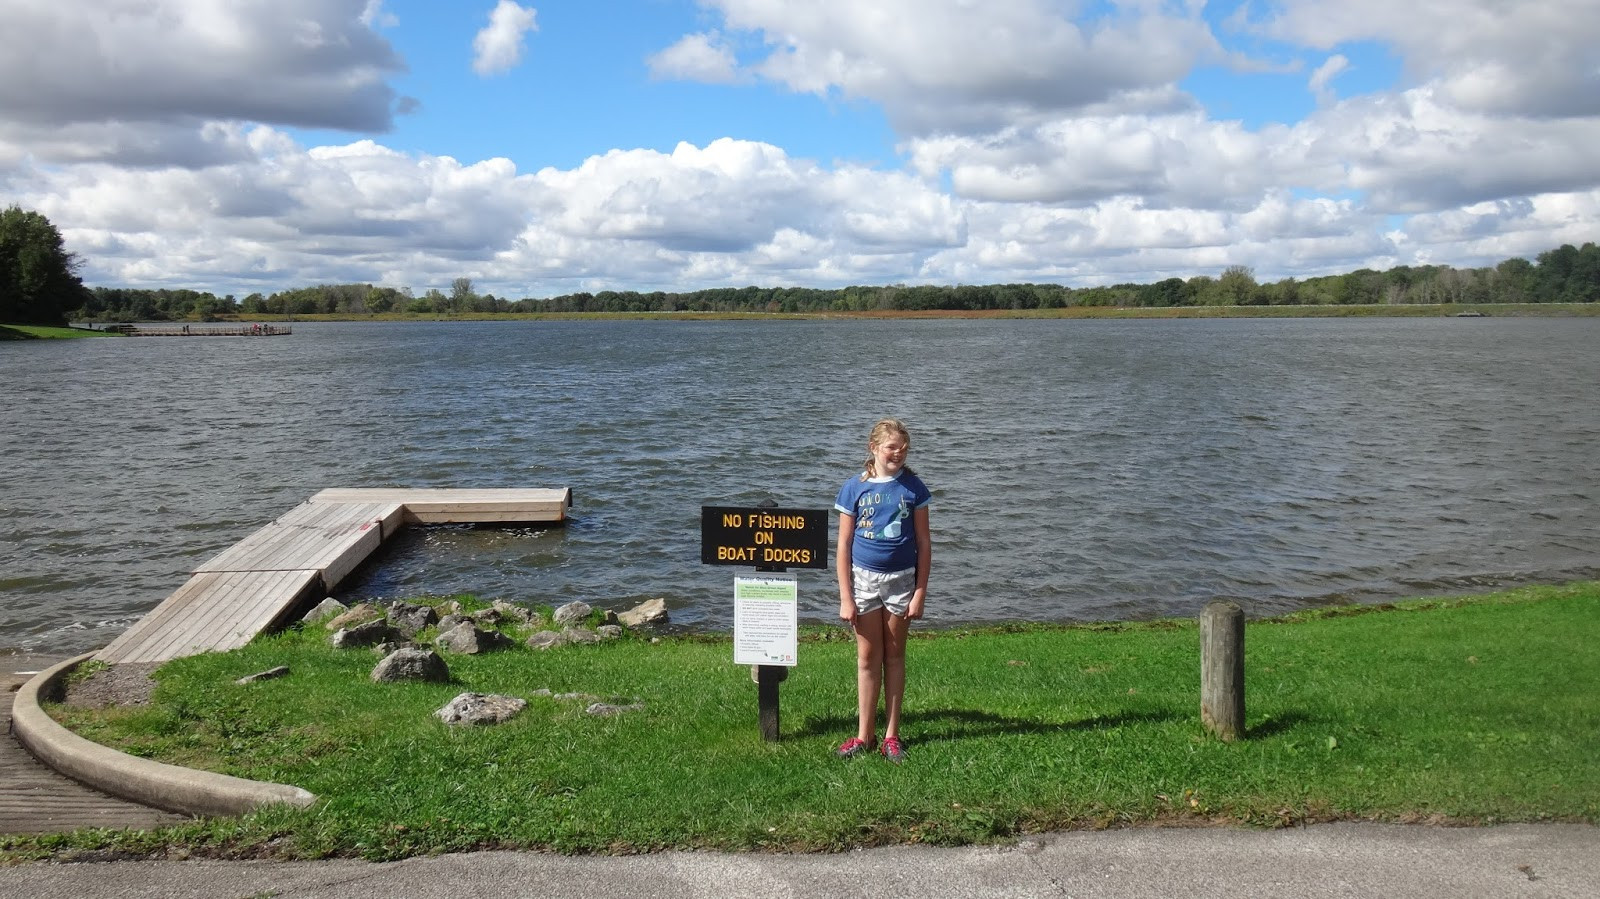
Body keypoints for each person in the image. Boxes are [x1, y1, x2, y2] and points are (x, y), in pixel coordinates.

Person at [834, 417, 932, 763]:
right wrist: (846, 597)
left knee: (894, 656)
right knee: (867, 659)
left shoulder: (913, 488)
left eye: (904, 448)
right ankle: (864, 735)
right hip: (863, 583)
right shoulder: (853, 488)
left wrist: (920, 591)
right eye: (892, 447)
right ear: (873, 448)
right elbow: (843, 545)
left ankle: (891, 734)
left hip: (902, 582)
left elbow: (923, 541)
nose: (899, 453)